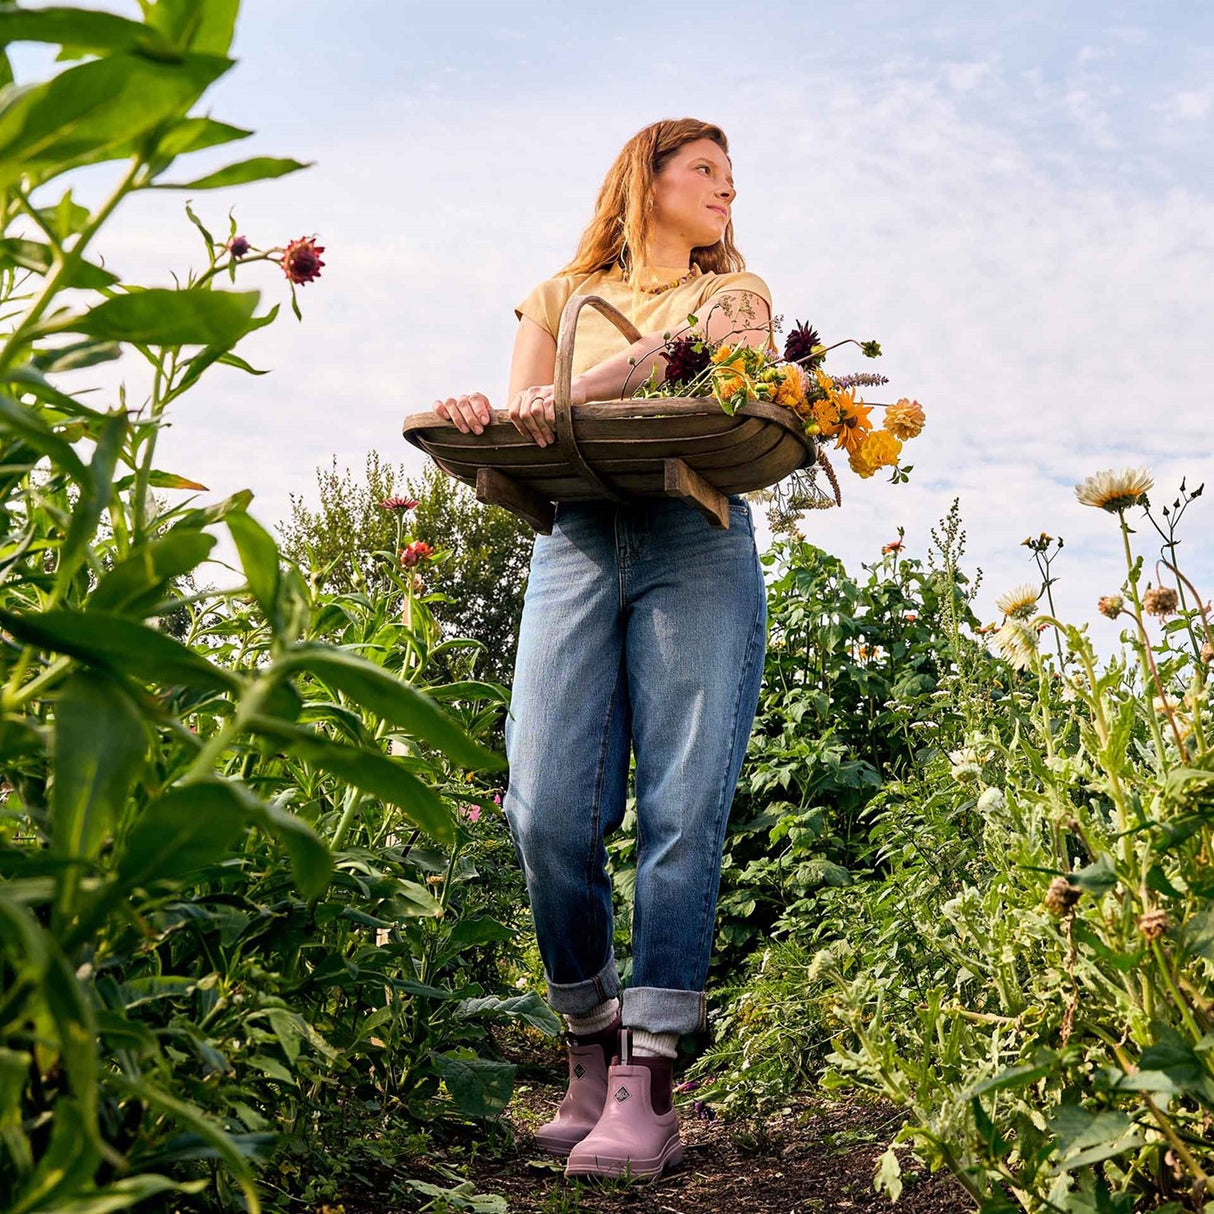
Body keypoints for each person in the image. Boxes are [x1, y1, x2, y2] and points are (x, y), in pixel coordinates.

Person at [433, 117, 772, 1180]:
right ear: (647, 178)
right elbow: (523, 419)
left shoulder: (735, 290)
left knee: (680, 801)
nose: (724, 187)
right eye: (702, 168)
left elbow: (726, 363)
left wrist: (576, 388)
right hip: (576, 538)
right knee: (541, 804)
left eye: (729, 173)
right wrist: (481, 410)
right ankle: (589, 1041)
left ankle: (650, 1075)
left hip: (695, 537)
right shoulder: (556, 296)